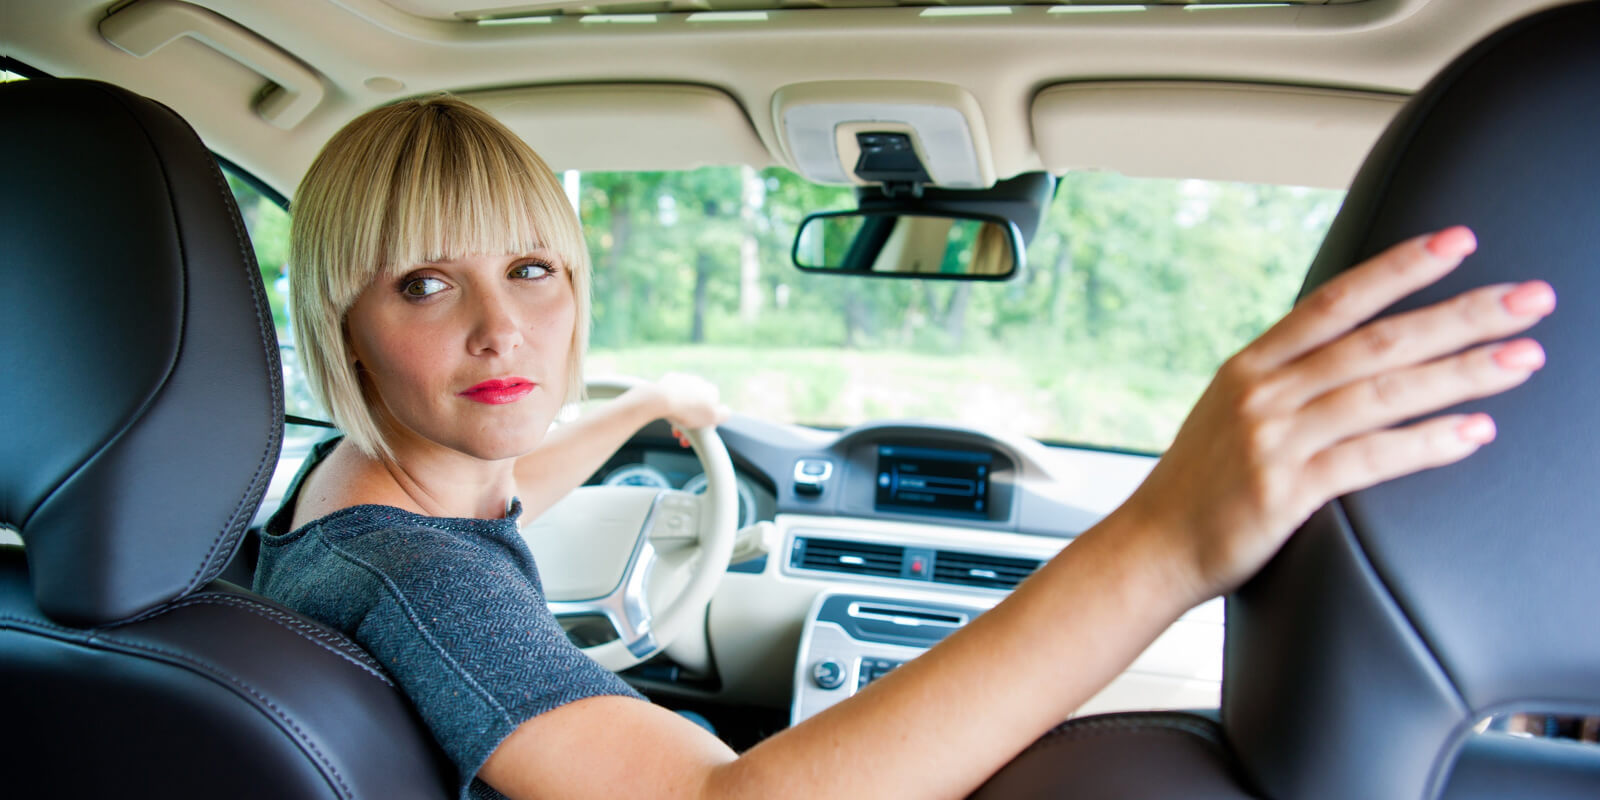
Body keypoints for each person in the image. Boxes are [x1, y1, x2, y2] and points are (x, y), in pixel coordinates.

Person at [256, 95, 1555, 800]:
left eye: (533, 269)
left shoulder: (341, 501)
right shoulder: (419, 584)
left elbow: (485, 493)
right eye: (425, 285)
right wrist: (1166, 536)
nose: (500, 328)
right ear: (345, 328)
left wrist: (635, 413)